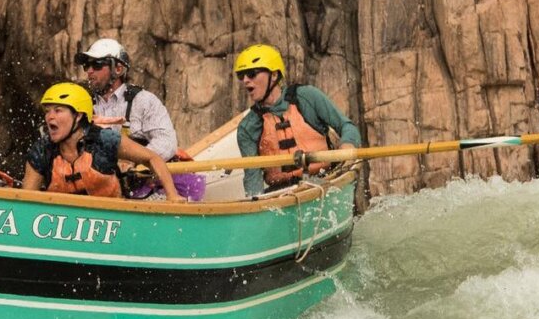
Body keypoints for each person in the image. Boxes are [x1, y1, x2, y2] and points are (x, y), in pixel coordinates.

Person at [77, 36, 204, 200]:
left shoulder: (144, 101)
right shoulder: (81, 103)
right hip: (100, 183)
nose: (89, 70)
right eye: (87, 65)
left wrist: (136, 163)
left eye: (97, 64)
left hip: (143, 183)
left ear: (119, 69)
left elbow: (166, 142)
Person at [233, 44, 361, 196]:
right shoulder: (247, 127)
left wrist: (347, 145)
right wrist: (255, 204)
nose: (245, 81)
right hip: (281, 193)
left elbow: (347, 126)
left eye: (251, 74)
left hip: (324, 181)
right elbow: (252, 177)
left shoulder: (307, 97)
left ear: (274, 75)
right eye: (241, 76)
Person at [22, 83, 183, 201]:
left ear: (78, 116)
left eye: (58, 110)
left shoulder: (104, 140)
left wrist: (172, 195)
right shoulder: (41, 151)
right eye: (48, 111)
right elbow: (26, 201)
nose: (50, 117)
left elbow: (152, 158)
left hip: (114, 220)